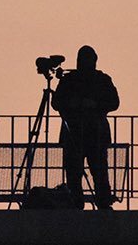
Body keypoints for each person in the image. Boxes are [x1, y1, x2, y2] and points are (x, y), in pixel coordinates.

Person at [51, 45, 120, 209]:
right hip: (80, 133)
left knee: (97, 171)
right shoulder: (74, 80)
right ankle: (82, 203)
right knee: (80, 172)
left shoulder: (99, 80)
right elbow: (56, 103)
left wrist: (94, 104)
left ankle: (99, 202)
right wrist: (74, 104)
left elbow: (114, 102)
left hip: (92, 133)